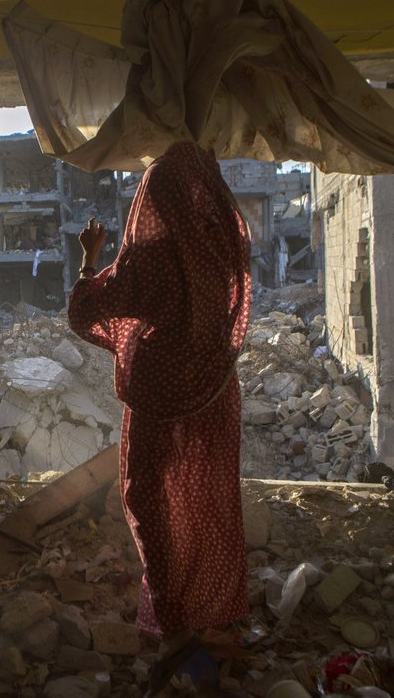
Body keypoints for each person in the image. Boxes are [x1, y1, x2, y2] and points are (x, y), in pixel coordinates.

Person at [68, 141, 251, 693]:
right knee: (207, 501)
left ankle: (173, 621)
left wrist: (89, 259)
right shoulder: (220, 253)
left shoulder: (148, 263)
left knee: (149, 501)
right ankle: (214, 609)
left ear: (153, 200)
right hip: (214, 397)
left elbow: (84, 313)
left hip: (157, 401)